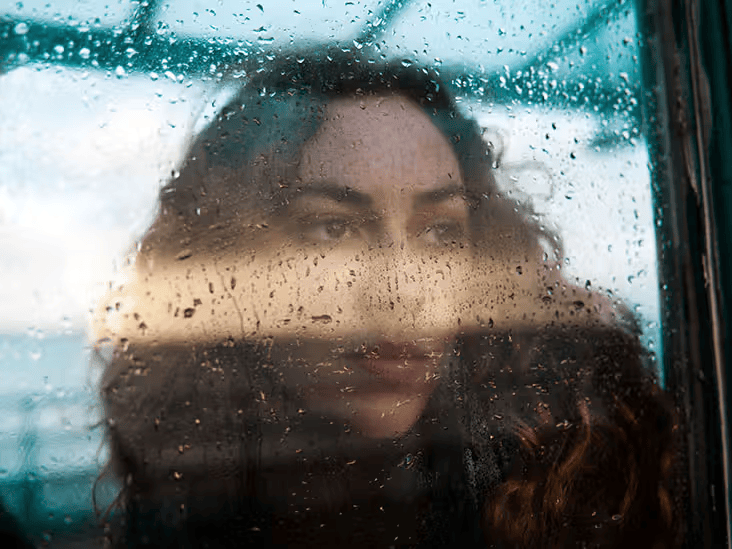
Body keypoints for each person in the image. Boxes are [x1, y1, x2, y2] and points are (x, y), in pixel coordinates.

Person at [92, 50, 679, 548]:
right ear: (224, 257)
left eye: (441, 231)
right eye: (332, 229)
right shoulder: (192, 489)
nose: (402, 293)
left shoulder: (562, 477)